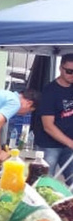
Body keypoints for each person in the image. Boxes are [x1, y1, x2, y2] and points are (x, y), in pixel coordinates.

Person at [36, 54, 73, 184]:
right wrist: (70, 143)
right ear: (60, 68)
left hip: (69, 145)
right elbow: (48, 126)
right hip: (49, 145)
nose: (72, 75)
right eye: (69, 71)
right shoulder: (50, 91)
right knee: (44, 183)